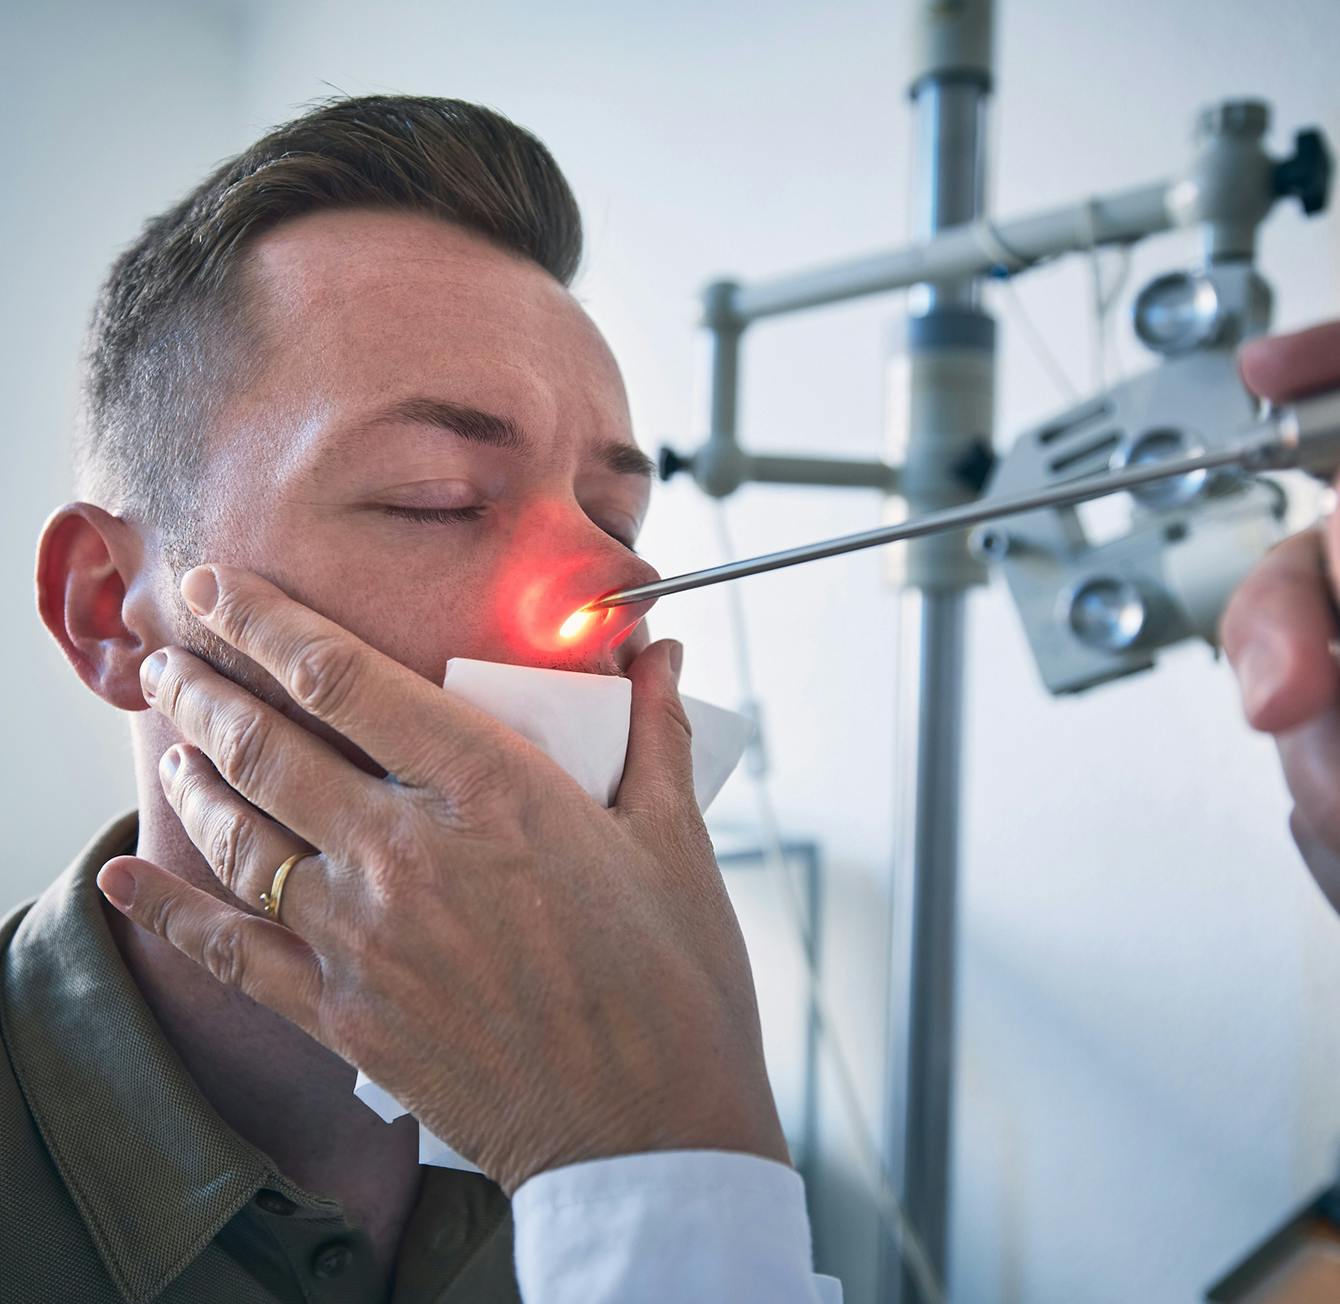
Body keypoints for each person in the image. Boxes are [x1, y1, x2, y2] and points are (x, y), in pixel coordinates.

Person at [9, 95, 837, 1303]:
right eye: (437, 496)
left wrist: (656, 1156)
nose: (621, 579)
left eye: (615, 516)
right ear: (105, 610)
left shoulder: (704, 1141)